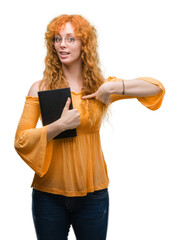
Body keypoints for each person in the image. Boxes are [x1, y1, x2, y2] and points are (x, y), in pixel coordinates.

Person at [14, 14, 165, 240]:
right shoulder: (40, 88)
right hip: (48, 196)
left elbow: (156, 88)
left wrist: (112, 87)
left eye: (70, 39)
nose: (62, 45)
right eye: (57, 39)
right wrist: (58, 126)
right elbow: (21, 140)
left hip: (93, 195)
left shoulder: (100, 88)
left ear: (85, 43)